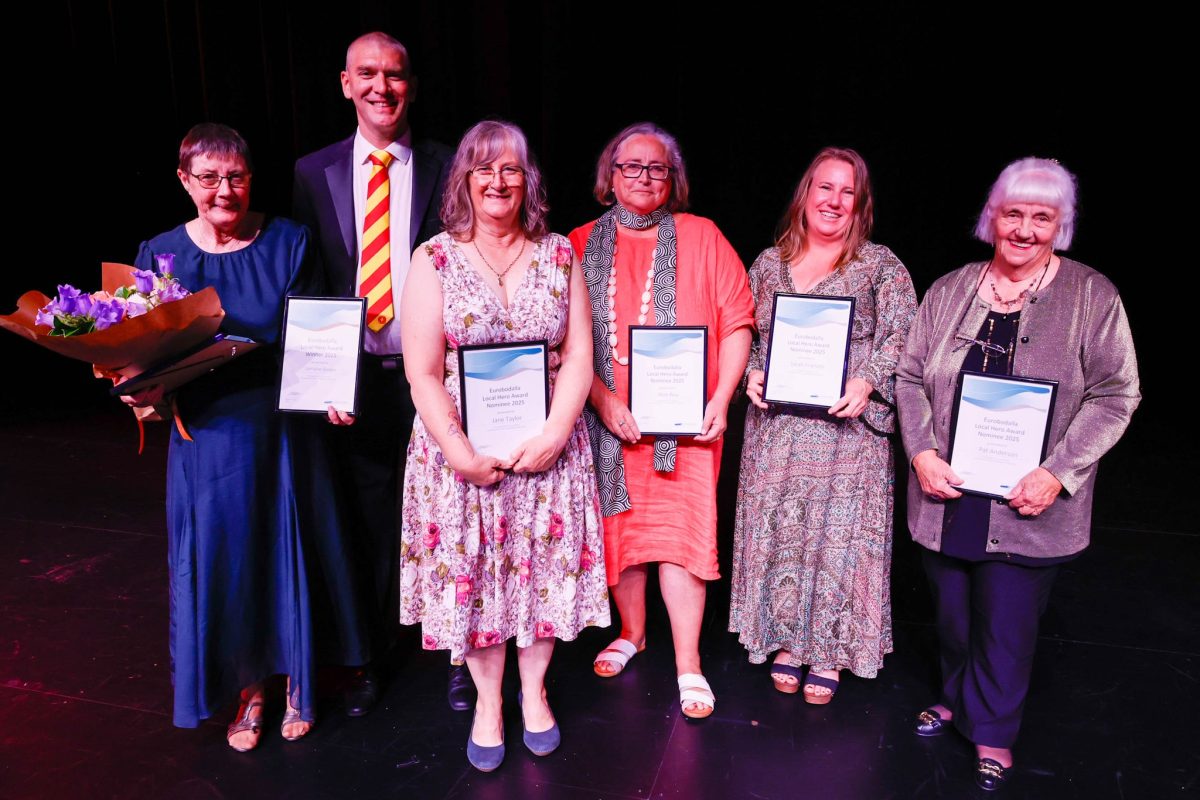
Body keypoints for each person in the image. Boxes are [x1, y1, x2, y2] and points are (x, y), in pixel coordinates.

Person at [895, 157, 1140, 791]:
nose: (1025, 230)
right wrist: (921, 450)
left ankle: (994, 732)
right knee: (951, 614)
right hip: (947, 488)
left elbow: (1116, 394)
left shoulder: (1092, 295)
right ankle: (956, 701)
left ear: (1060, 226)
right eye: (1014, 214)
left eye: (1042, 217)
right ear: (993, 218)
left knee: (1006, 621)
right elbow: (910, 377)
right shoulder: (951, 290)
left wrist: (1058, 473)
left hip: (1028, 497)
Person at [130, 123, 369, 750]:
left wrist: (333, 394)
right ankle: (249, 691)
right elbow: (140, 358)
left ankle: (298, 685)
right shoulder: (159, 255)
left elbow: (318, 334)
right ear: (184, 180)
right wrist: (141, 390)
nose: (224, 190)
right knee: (229, 562)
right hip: (206, 437)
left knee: (288, 550)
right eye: (208, 178)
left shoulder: (289, 241)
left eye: (235, 176)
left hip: (284, 427)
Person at [398, 120, 609, 772]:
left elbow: (578, 355)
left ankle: (535, 692)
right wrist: (458, 450)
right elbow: (422, 371)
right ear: (463, 178)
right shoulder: (433, 257)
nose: (497, 180)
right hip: (462, 461)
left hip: (547, 455)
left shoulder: (558, 254)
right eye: (483, 168)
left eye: (511, 168)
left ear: (528, 180)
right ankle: (490, 701)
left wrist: (554, 434)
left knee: (543, 580)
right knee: (480, 582)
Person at [291, 32, 468, 715]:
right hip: (357, 380)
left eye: (395, 75)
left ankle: (460, 653)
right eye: (368, 74)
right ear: (344, 82)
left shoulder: (450, 164)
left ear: (412, 86)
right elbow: (311, 285)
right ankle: (368, 658)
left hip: (438, 378)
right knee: (365, 522)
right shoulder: (313, 172)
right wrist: (322, 380)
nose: (382, 87)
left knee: (455, 518)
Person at [570, 122, 754, 719]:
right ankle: (632, 632)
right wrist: (602, 400)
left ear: (673, 179)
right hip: (606, 422)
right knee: (619, 535)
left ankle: (688, 661)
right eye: (631, 167)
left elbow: (737, 323)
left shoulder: (703, 236)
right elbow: (560, 345)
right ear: (610, 175)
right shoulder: (574, 243)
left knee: (679, 537)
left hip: (687, 424)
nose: (644, 177)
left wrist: (721, 399)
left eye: (657, 168)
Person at [728, 147, 917, 704]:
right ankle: (787, 641)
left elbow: (906, 336)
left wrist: (869, 381)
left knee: (838, 540)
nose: (834, 201)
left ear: (861, 204)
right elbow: (748, 334)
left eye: (847, 191)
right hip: (779, 430)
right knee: (784, 531)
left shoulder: (881, 265)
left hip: (846, 433)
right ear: (804, 196)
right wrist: (752, 374)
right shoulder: (767, 263)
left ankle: (831, 647)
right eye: (824, 188)